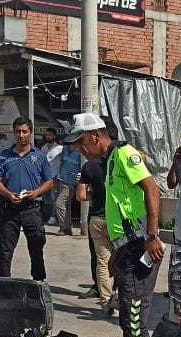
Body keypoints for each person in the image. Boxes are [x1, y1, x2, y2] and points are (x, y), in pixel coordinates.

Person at [66, 112, 164, 337]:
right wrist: (117, 253)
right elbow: (121, 208)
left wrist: (152, 236)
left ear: (95, 135)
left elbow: (152, 190)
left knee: (135, 324)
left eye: (81, 142)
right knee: (127, 321)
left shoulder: (124, 154)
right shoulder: (108, 161)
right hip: (127, 249)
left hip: (140, 248)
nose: (79, 149)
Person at [0, 117, 54, 281]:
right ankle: (3, 284)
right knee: (4, 251)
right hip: (10, 209)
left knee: (36, 249)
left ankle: (38, 283)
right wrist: (8, 194)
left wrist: (36, 192)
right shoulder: (5, 156)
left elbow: (49, 182)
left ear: (31, 133)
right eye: (18, 131)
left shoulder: (39, 156)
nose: (21, 135)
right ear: (13, 133)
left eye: (25, 131)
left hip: (32, 209)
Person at [77, 120, 119, 314]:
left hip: (97, 218)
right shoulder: (119, 161)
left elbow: (80, 196)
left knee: (102, 261)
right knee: (121, 259)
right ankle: (120, 296)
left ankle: (105, 302)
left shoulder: (89, 166)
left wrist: (94, 193)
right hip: (118, 219)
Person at [53, 138, 83, 235]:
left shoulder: (81, 152)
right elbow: (62, 163)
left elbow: (82, 167)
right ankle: (68, 228)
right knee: (66, 205)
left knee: (59, 203)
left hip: (72, 183)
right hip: (62, 179)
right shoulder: (65, 149)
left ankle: (64, 227)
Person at [42, 128, 62, 225]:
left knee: (55, 197)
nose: (47, 137)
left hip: (55, 176)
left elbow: (63, 162)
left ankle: (54, 217)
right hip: (45, 177)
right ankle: (44, 215)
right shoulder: (43, 148)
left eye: (49, 135)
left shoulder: (60, 148)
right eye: (46, 135)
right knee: (44, 197)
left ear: (54, 136)